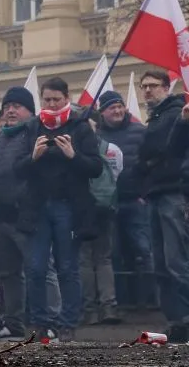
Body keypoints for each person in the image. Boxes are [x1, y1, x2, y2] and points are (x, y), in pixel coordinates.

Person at [15, 77, 99, 342]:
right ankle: (40, 323)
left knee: (67, 267)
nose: (51, 105)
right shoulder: (31, 127)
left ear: (67, 98)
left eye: (56, 100)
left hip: (69, 207)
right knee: (36, 267)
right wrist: (33, 157)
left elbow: (95, 168)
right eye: (46, 100)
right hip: (38, 208)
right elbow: (16, 169)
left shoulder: (80, 126)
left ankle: (68, 323)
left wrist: (74, 155)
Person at [0, 86, 34, 340]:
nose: (10, 110)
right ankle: (14, 323)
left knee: (39, 270)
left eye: (17, 106)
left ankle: (49, 323)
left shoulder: (35, 134)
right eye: (7, 106)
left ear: (29, 111)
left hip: (25, 215)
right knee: (8, 274)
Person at [139, 71, 189, 342]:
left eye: (153, 86)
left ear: (166, 88)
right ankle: (177, 320)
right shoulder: (157, 117)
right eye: (144, 86)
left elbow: (160, 149)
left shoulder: (173, 113)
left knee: (176, 260)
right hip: (156, 193)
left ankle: (185, 318)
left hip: (173, 192)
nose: (147, 91)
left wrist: (149, 160)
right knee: (161, 263)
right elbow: (145, 153)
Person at [97, 88, 152, 313]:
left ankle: (150, 301)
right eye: (112, 107)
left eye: (120, 106)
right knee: (114, 253)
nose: (118, 110)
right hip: (109, 204)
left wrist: (145, 194)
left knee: (144, 250)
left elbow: (151, 164)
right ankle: (123, 301)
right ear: (102, 112)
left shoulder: (140, 131)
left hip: (136, 201)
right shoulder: (96, 136)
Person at [80, 112, 122, 326]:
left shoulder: (74, 147)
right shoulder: (112, 149)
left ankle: (90, 310)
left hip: (82, 209)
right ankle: (109, 306)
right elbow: (117, 176)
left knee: (85, 260)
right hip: (105, 208)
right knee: (104, 258)